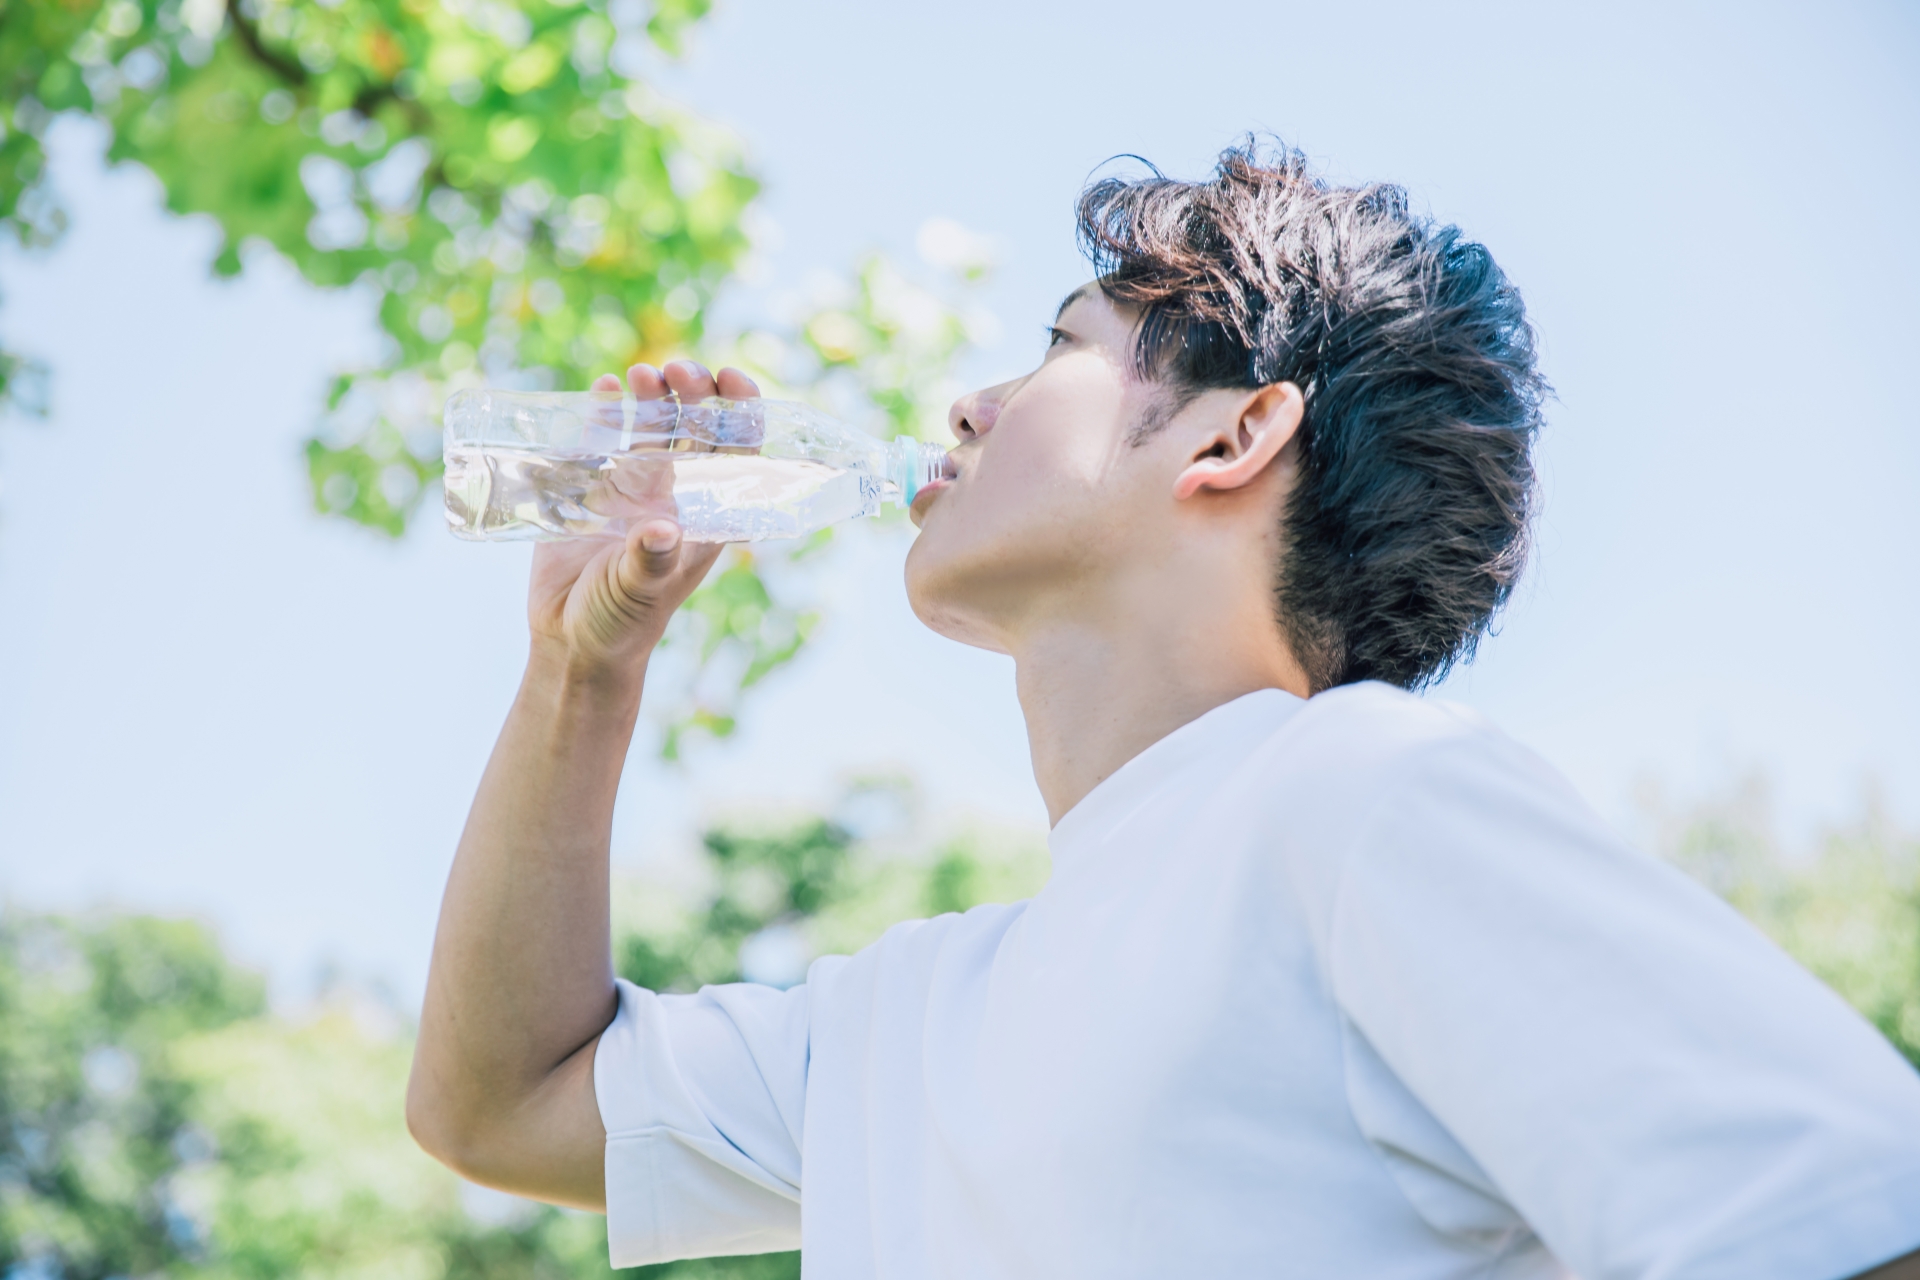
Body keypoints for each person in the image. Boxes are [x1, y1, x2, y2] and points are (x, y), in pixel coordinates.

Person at [405, 144, 1920, 1278]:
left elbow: (1847, 1216)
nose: (968, 406)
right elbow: (497, 1105)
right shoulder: (906, 1020)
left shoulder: (1358, 798)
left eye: (1062, 345)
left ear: (1239, 431)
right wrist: (580, 668)